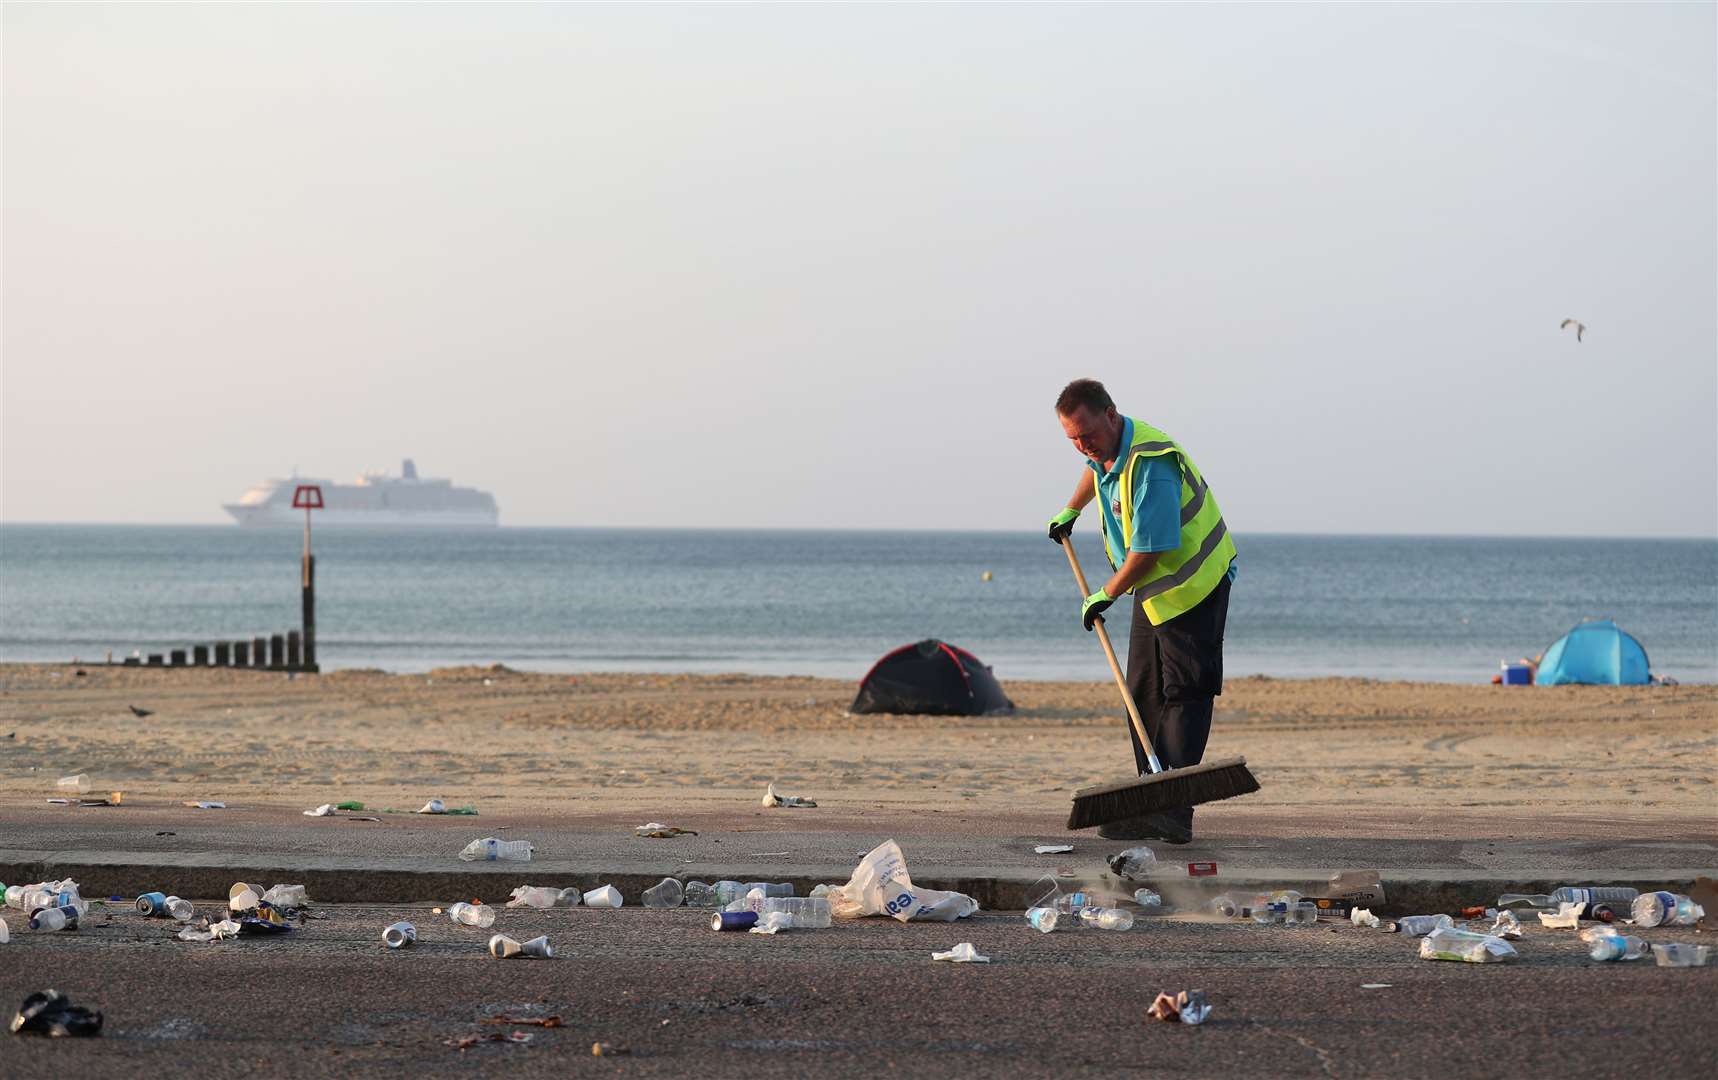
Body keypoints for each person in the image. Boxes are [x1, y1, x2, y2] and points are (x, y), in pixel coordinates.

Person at [1047, 378, 1237, 843]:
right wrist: (1071, 509)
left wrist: (1104, 594)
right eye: (1071, 438)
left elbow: (1151, 549)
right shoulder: (1106, 449)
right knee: (1142, 694)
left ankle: (1174, 810)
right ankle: (1148, 799)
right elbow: (1098, 467)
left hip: (1193, 586)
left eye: (1086, 434)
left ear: (1111, 415)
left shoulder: (1152, 463)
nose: (1081, 446)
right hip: (1152, 590)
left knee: (1185, 694)